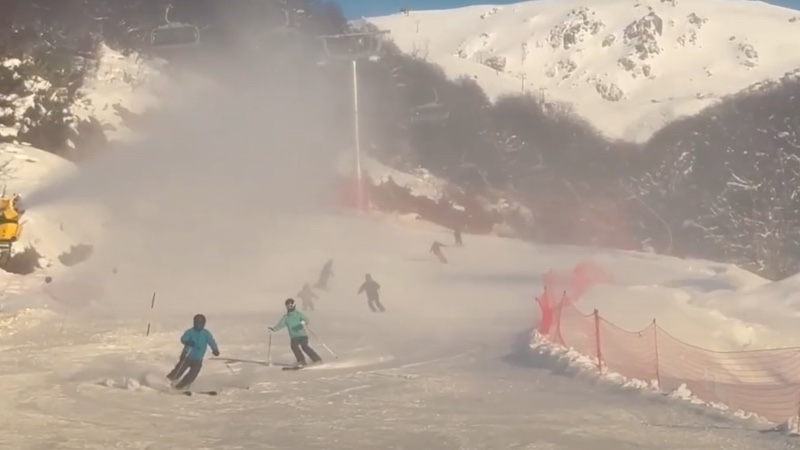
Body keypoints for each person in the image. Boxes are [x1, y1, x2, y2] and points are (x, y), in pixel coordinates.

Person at [167, 314, 220, 390]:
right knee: (179, 370)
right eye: (197, 323)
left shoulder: (206, 333)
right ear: (194, 323)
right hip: (187, 356)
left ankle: (182, 385)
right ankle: (169, 380)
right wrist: (188, 342)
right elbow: (183, 339)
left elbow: (211, 341)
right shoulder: (190, 332)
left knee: (193, 374)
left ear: (204, 324)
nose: (199, 325)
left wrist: (215, 349)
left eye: (201, 324)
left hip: (198, 359)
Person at [269, 298, 322, 367]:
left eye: (291, 306)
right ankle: (301, 361)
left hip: (302, 336)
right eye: (288, 306)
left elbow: (306, 319)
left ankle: (317, 359)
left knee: (305, 347)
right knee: (294, 346)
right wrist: (273, 329)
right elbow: (280, 325)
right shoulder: (286, 317)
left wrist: (304, 322)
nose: (290, 307)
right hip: (294, 337)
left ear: (294, 305)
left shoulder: (298, 314)